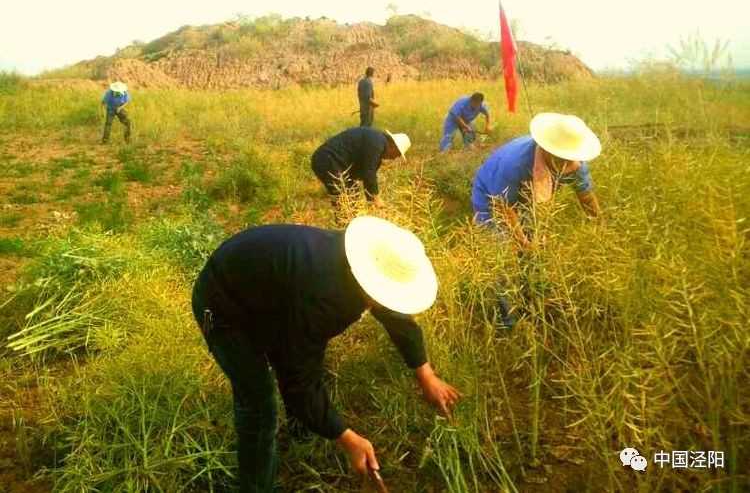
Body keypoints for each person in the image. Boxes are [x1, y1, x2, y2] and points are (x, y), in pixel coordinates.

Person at [192, 216, 461, 492]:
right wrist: (346, 438)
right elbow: (299, 380)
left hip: (266, 291)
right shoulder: (324, 299)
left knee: (295, 359)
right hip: (222, 306)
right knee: (259, 405)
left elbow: (396, 317)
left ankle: (302, 430)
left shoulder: (364, 263)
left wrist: (425, 373)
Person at [471, 113, 602, 328]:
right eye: (561, 159)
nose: (567, 164)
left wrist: (599, 224)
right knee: (502, 258)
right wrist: (523, 242)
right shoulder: (515, 164)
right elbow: (505, 207)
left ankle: (528, 299)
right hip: (492, 198)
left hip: (525, 200)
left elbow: (586, 196)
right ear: (549, 150)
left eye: (571, 159)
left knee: (530, 257)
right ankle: (507, 322)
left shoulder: (574, 163)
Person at [311, 127, 410, 212]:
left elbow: (363, 173)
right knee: (345, 200)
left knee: (352, 196)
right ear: (394, 146)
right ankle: (344, 228)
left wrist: (371, 199)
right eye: (397, 155)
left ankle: (350, 223)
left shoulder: (377, 141)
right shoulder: (376, 144)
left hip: (333, 161)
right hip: (327, 160)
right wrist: (375, 198)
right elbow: (369, 173)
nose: (394, 158)